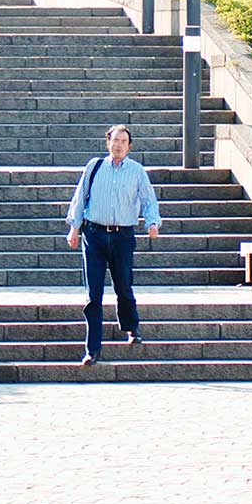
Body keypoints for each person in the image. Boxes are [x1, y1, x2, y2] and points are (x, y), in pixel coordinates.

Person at [65, 125, 161, 366]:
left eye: (123, 141)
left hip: (123, 236)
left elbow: (149, 200)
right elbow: (80, 197)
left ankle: (131, 326)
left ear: (129, 146)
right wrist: (74, 227)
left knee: (123, 285)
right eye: (114, 140)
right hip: (94, 234)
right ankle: (92, 349)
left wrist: (152, 223)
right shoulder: (94, 167)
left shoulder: (137, 171)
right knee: (93, 294)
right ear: (108, 142)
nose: (118, 144)